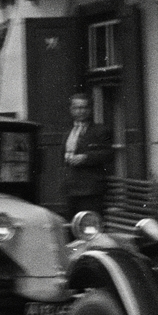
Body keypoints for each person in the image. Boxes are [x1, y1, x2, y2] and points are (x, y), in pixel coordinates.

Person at [63, 92, 113, 221]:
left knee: (92, 224)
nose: (80, 111)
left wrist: (85, 158)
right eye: (77, 108)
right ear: (71, 110)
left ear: (90, 109)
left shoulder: (100, 130)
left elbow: (108, 154)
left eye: (84, 107)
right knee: (73, 225)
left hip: (91, 190)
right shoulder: (68, 132)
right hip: (71, 189)